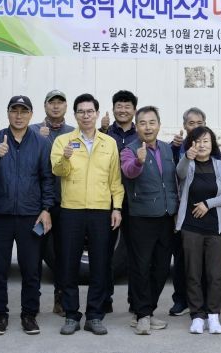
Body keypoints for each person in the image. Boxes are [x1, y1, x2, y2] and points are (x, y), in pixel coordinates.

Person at [0, 95, 55, 336]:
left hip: (31, 215)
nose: (19, 116)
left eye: (24, 111)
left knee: (31, 269)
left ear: (31, 114)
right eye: (14, 110)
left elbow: (47, 179)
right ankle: (0, 316)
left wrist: (46, 209)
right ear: (8, 113)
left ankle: (29, 315)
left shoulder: (41, 142)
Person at [51, 94, 124, 335]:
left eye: (90, 111)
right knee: (68, 264)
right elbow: (58, 171)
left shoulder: (109, 143)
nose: (86, 115)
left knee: (100, 264)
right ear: (75, 115)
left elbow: (115, 179)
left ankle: (94, 315)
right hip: (71, 210)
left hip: (100, 210)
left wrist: (117, 207)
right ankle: (71, 315)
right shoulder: (63, 141)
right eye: (81, 111)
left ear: (97, 114)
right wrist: (65, 158)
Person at [120, 106, 178, 335]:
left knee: (162, 268)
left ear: (159, 125)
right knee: (141, 267)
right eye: (143, 123)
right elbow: (128, 171)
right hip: (141, 217)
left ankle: (146, 310)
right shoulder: (129, 149)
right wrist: (138, 161)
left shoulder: (166, 148)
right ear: (137, 127)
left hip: (166, 216)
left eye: (152, 122)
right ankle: (142, 315)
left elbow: (172, 180)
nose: (148, 127)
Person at [176, 126, 221, 335]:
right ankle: (197, 316)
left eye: (206, 141)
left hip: (215, 228)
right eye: (197, 141)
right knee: (193, 273)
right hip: (190, 227)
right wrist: (187, 157)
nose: (202, 145)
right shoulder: (188, 163)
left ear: (212, 144)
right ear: (191, 144)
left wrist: (207, 204)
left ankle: (213, 315)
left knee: (215, 275)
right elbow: (179, 173)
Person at [168, 107, 221, 316]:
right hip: (182, 214)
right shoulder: (177, 148)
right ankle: (181, 300)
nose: (196, 127)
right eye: (191, 123)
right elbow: (175, 176)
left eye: (200, 123)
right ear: (185, 126)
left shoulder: (212, 149)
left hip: (208, 215)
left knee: (207, 264)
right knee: (182, 261)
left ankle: (206, 303)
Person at [31, 90, 75, 317]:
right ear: (45, 106)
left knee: (63, 254)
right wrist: (39, 139)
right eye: (52, 102)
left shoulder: (74, 133)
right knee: (35, 252)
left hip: (64, 204)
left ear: (66, 106)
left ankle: (61, 300)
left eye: (60, 102)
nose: (56, 106)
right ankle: (32, 301)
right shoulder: (32, 131)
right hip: (38, 205)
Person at [100, 90, 138, 313]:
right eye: (119, 106)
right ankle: (105, 299)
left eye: (127, 106)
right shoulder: (104, 134)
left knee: (135, 253)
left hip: (134, 200)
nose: (123, 110)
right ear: (113, 109)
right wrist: (102, 130)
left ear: (134, 110)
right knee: (105, 252)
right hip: (108, 200)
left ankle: (135, 301)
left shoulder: (140, 134)